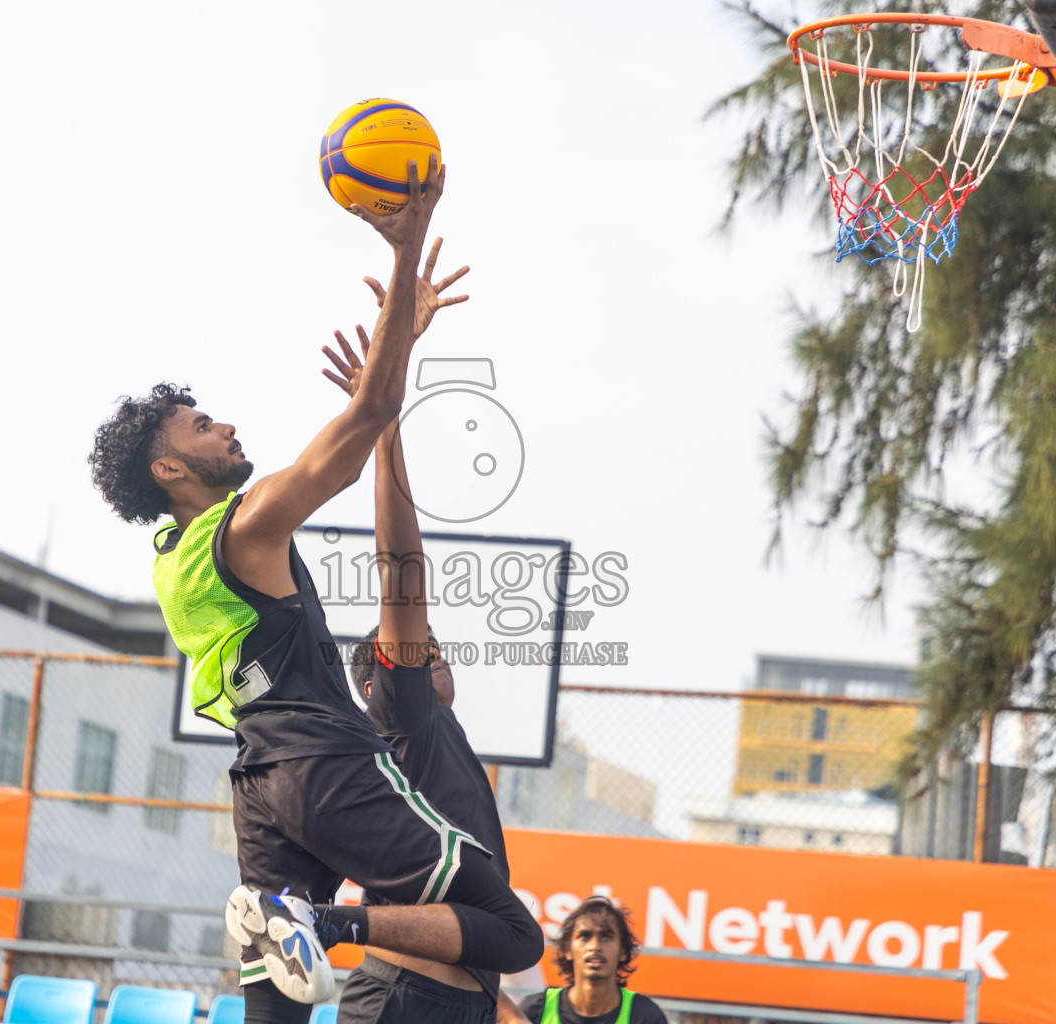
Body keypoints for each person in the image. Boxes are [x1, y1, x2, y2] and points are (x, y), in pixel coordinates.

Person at [87, 161, 543, 1023]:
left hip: (260, 778)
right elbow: (366, 421)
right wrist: (402, 275)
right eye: (201, 425)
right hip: (323, 763)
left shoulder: (171, 558)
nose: (224, 425)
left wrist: (393, 349)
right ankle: (324, 920)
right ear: (170, 467)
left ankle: (300, 921)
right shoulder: (244, 524)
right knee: (512, 932)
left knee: (276, 1004)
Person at [320, 328, 529, 1024]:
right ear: (378, 681)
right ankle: (327, 922)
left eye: (434, 642)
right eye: (413, 645)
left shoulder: (441, 740)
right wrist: (383, 422)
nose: (429, 646)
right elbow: (402, 573)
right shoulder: (404, 718)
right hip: (402, 1000)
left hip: (457, 1002)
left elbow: (475, 929)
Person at [519, 897, 667, 1024]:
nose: (595, 947)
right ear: (567, 950)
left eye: (606, 937)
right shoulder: (535, 1010)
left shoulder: (646, 1016)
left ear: (622, 951)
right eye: (584, 937)